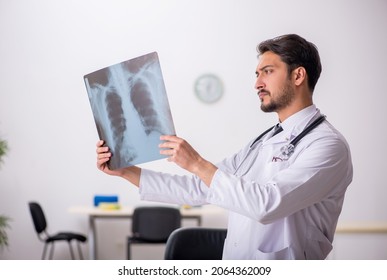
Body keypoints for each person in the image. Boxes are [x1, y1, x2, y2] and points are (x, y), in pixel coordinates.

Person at [96, 34, 353, 260]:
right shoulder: (261, 142)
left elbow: (267, 205)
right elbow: (199, 187)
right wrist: (126, 171)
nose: (257, 83)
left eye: (268, 71)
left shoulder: (327, 146)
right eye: (257, 74)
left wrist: (197, 163)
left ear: (298, 75)